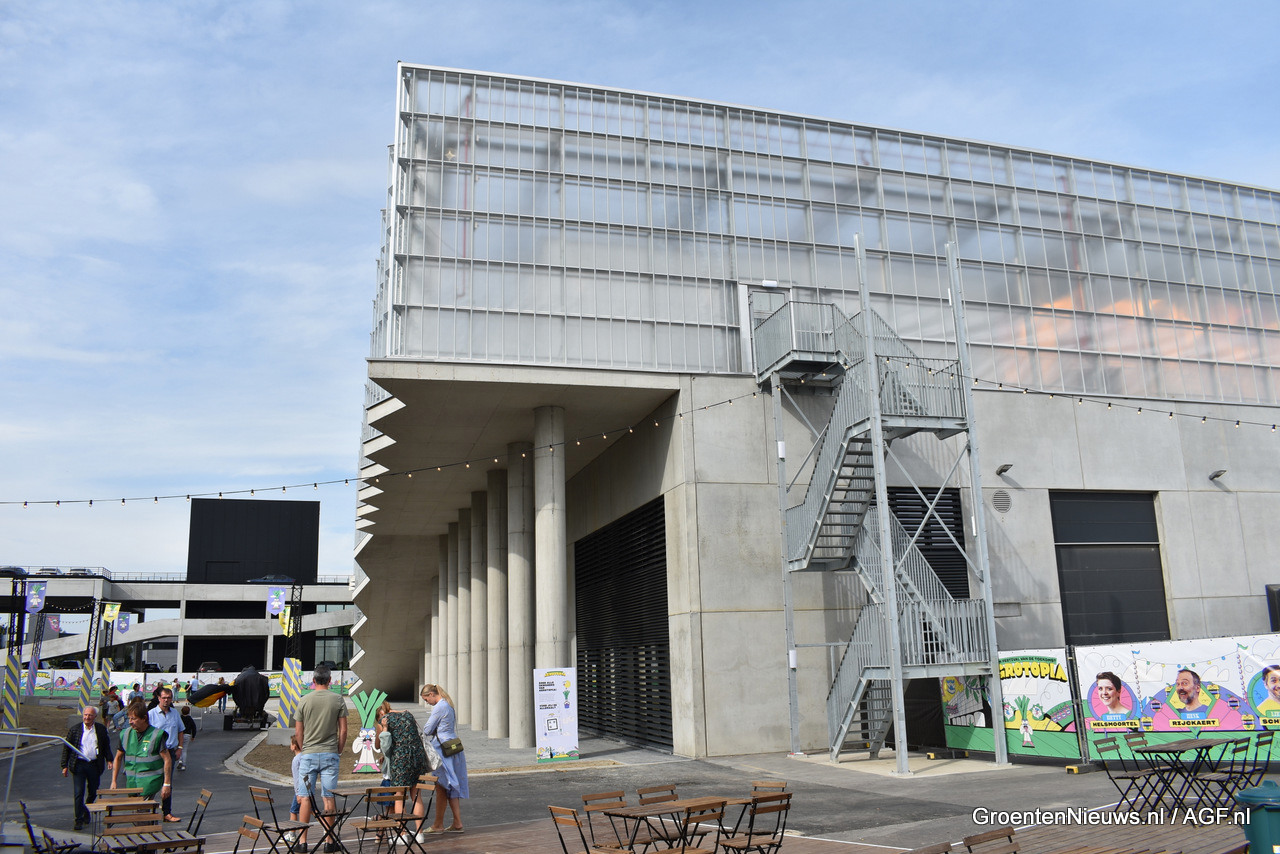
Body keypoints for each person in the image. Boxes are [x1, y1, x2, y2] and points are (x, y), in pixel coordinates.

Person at [294, 664, 348, 853]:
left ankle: (302, 842)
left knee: (305, 798)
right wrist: (338, 750)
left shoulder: (304, 700)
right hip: (329, 754)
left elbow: (298, 732)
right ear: (330, 680)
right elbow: (343, 730)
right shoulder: (338, 699)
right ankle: (329, 841)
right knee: (328, 796)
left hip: (308, 754)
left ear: (313, 680)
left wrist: (304, 749)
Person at [379, 700, 428, 842]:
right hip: (417, 758)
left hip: (400, 760)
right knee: (416, 796)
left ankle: (402, 835)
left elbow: (385, 747)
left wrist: (385, 729)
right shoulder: (408, 714)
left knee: (399, 796)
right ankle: (420, 834)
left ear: (381, 713)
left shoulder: (385, 719)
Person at [420, 683, 466, 834]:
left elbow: (427, 729)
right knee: (451, 786)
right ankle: (456, 822)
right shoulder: (448, 704)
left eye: (426, 699)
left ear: (431, 694)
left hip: (441, 750)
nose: (427, 702)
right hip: (452, 747)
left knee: (441, 786)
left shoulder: (440, 707)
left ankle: (438, 824)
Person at [110, 700, 172, 807]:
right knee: (135, 812)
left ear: (144, 718)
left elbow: (167, 759)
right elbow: (118, 758)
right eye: (129, 718)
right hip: (132, 783)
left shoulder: (156, 735)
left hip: (149, 783)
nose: (130, 722)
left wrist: (166, 784)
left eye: (134, 719)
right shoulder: (125, 734)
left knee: (142, 811)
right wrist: (113, 781)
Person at [60, 706, 111, 831]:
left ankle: (86, 809)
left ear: (95, 717)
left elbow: (105, 746)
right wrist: (64, 766)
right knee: (79, 792)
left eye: (90, 715)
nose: (87, 717)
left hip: (94, 765)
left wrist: (109, 760)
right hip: (79, 765)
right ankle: (78, 820)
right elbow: (67, 748)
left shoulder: (100, 729)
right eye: (85, 715)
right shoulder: (75, 730)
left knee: (93, 791)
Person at [147, 686, 185, 821]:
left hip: (170, 751)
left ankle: (167, 813)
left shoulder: (174, 713)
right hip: (155, 752)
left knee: (167, 783)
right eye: (164, 698)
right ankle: (147, 810)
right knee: (152, 781)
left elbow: (181, 731)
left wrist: (180, 748)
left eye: (169, 698)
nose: (166, 700)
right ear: (159, 698)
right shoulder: (151, 714)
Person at [179, 705, 198, 771]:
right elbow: (194, 727)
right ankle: (184, 765)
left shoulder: (180, 718)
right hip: (187, 734)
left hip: (180, 734)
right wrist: (193, 736)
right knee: (184, 750)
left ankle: (180, 760)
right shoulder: (190, 719)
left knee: (180, 748)